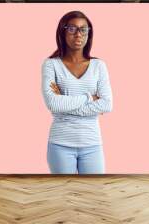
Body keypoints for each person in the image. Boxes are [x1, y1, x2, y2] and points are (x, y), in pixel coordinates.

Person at [41, 10, 113, 174]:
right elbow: (53, 103)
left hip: (92, 144)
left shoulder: (98, 66)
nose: (78, 34)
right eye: (72, 29)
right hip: (60, 144)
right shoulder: (51, 64)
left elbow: (107, 104)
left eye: (83, 29)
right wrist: (90, 98)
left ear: (89, 33)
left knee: (93, 195)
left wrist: (64, 104)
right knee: (62, 195)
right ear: (63, 31)